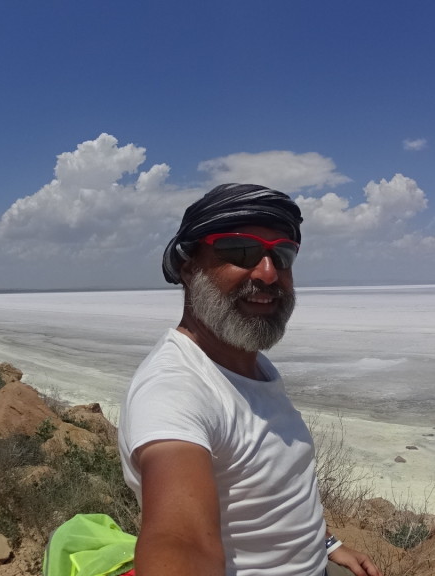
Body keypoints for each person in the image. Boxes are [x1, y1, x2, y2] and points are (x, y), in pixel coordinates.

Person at [119, 183, 382, 576]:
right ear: (190, 266)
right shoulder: (173, 391)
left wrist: (326, 542)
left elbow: (272, 487)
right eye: (239, 251)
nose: (268, 272)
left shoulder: (250, 366)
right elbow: (180, 543)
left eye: (283, 254)